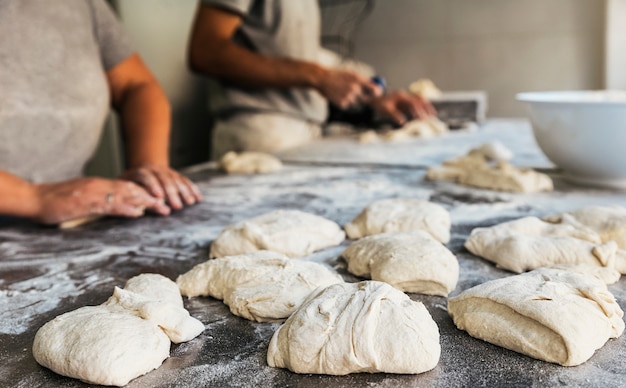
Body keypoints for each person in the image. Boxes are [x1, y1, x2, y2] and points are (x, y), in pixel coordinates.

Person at [0, 0, 202, 226]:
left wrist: (150, 167)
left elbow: (135, 86)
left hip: (73, 220)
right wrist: (33, 198)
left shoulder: (83, 5)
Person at [187, 0, 436, 160]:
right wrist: (319, 76)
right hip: (260, 134)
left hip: (303, 131)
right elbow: (206, 51)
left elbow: (299, 54)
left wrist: (374, 94)